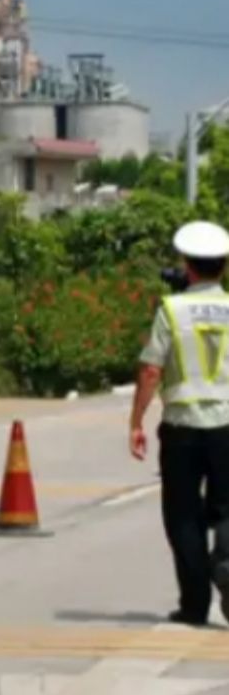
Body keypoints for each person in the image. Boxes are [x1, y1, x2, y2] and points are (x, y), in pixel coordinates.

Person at [129, 219, 229, 627]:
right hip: (227, 425)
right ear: (223, 267)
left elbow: (151, 370)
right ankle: (227, 563)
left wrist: (135, 422)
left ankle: (193, 605)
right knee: (227, 508)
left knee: (183, 515)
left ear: (187, 266)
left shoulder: (171, 309)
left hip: (182, 427)